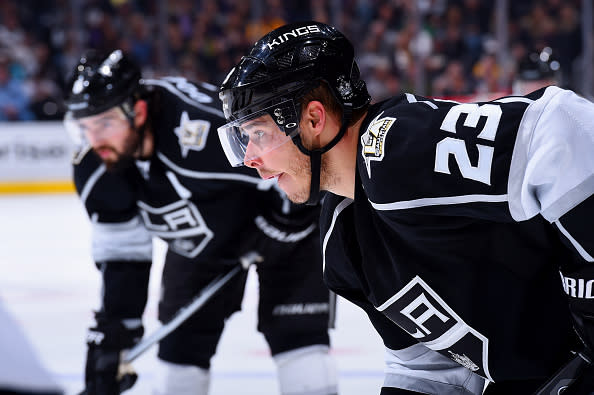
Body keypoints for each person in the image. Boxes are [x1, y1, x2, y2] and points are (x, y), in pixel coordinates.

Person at [217, 21, 594, 394]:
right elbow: (432, 368)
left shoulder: (394, 146)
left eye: (259, 135)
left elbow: (563, 126)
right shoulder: (341, 245)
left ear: (314, 119)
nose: (250, 158)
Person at [63, 49, 338, 395]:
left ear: (139, 110)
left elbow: (301, 165)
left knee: (299, 342)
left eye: (104, 124)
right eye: (84, 127)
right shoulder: (96, 165)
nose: (94, 140)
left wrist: (286, 226)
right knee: (179, 353)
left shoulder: (204, 132)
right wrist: (117, 328)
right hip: (200, 244)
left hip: (283, 235)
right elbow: (122, 251)